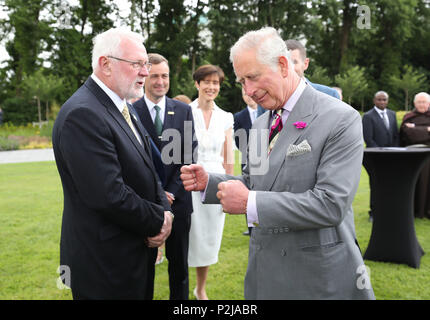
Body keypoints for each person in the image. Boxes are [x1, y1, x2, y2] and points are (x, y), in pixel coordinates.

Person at [181, 27, 374, 300]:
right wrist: (210, 182)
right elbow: (254, 181)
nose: (248, 90)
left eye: (253, 77)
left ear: (283, 65)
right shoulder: (262, 124)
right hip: (264, 274)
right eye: (241, 81)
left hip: (317, 278)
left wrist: (250, 203)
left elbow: (330, 204)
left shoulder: (340, 118)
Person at [52, 28, 173, 300]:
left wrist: (166, 212)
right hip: (104, 264)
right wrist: (159, 220)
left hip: (130, 254)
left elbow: (151, 169)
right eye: (137, 64)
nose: (145, 72)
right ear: (105, 64)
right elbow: (109, 195)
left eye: (147, 65)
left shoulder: (121, 105)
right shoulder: (83, 114)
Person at [133, 53, 197, 300]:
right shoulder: (131, 111)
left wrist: (170, 193)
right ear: (145, 76)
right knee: (143, 268)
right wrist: (158, 194)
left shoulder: (183, 111)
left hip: (179, 201)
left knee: (179, 268)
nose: (160, 81)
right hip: (145, 204)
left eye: (165, 76)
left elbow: (188, 155)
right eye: (155, 75)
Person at [188, 64, 234, 300]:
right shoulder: (185, 111)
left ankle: (200, 288)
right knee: (186, 236)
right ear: (197, 84)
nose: (211, 87)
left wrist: (228, 186)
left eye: (216, 83)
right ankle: (180, 283)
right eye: (207, 82)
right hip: (188, 182)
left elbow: (228, 159)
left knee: (208, 238)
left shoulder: (226, 117)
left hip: (214, 184)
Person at [362, 91, 399, 220]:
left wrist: (393, 151)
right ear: (374, 100)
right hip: (375, 157)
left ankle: (388, 209)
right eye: (379, 100)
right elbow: (368, 138)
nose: (382, 102)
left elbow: (395, 135)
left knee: (390, 184)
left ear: (387, 101)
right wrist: (381, 152)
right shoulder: (368, 116)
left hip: (391, 156)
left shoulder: (392, 114)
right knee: (376, 185)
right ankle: (374, 212)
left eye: (384, 100)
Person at [399, 92, 430, 219]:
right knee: (416, 183)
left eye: (424, 102)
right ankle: (414, 211)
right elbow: (408, 135)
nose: (422, 104)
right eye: (419, 102)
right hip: (412, 156)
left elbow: (413, 132)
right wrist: (427, 130)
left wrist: (415, 128)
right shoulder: (409, 117)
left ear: (429, 104)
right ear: (414, 103)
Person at [234, 87, 258, 236]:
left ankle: (263, 225)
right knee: (248, 193)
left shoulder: (268, 112)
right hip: (248, 160)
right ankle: (251, 228)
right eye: (244, 94)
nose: (248, 96)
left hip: (268, 159)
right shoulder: (239, 117)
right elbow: (238, 139)